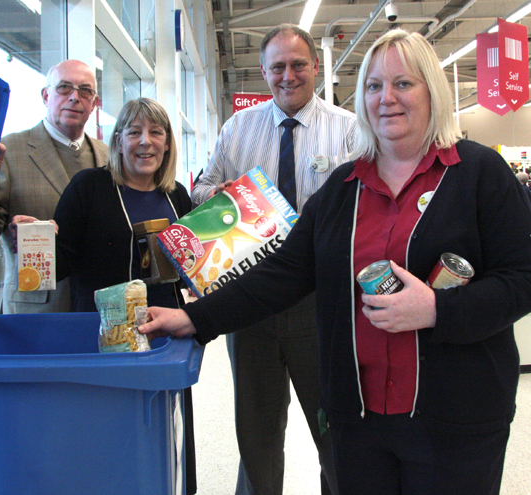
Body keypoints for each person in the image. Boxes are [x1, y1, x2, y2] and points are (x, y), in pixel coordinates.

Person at [139, 29, 531, 495]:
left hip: (456, 420)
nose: (386, 98)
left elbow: (522, 278)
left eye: (403, 84)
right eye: (373, 86)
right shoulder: (345, 185)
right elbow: (284, 272)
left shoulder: (480, 173)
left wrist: (437, 310)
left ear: (433, 89)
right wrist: (193, 317)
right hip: (359, 420)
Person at [190, 23, 357, 495]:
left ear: (316, 67)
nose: (289, 75)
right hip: (250, 298)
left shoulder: (347, 130)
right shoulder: (237, 128)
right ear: (263, 71)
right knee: (257, 436)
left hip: (319, 301)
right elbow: (201, 187)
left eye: (298, 64)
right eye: (278, 66)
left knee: (334, 431)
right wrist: (222, 197)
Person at [51, 97, 196, 494]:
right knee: (102, 437)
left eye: (155, 132)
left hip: (164, 340)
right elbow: (59, 264)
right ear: (117, 141)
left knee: (158, 433)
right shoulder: (90, 188)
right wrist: (35, 241)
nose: (145, 142)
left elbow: (191, 268)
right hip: (102, 340)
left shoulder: (177, 196)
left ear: (167, 144)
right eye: (133, 132)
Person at [0, 59, 109, 314]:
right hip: (34, 312)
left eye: (85, 90)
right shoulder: (10, 152)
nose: (74, 97)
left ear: (94, 103)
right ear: (46, 95)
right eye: (64, 88)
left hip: (100, 311)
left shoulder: (108, 157)